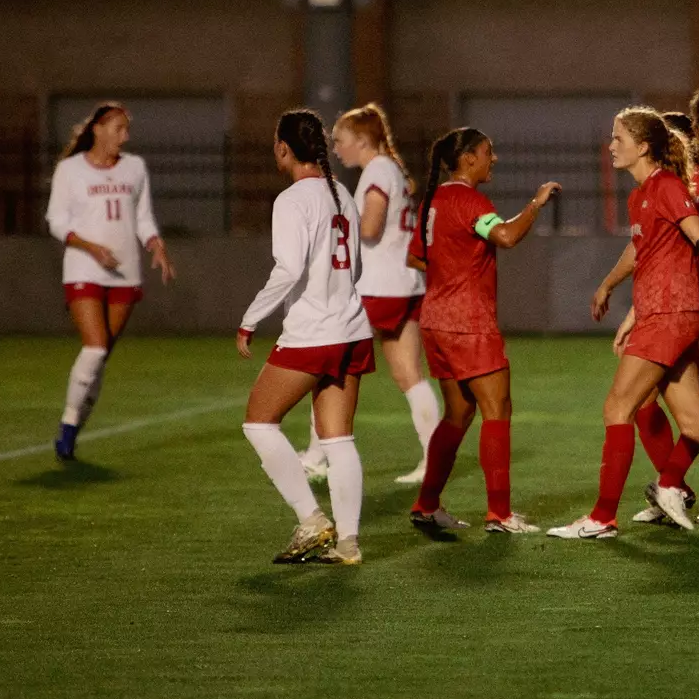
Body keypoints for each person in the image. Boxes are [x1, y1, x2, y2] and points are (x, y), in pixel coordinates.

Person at [548, 107, 699, 539]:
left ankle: (602, 518)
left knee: (617, 408)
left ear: (643, 146)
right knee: (698, 424)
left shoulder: (665, 186)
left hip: (668, 315)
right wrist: (610, 286)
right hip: (663, 314)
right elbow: (644, 251)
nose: (611, 146)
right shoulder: (640, 195)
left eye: (618, 138)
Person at [236, 109, 373, 565]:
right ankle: (348, 544)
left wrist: (251, 318)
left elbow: (289, 268)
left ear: (283, 149)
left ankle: (311, 519)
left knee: (259, 423)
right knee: (338, 439)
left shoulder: (292, 199)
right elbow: (356, 266)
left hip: (313, 333)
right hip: (352, 328)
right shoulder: (342, 193)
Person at [406, 127, 558, 534]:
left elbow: (417, 257)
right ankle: (500, 514)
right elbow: (505, 236)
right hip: (467, 322)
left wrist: (452, 267)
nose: (494, 159)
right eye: (488, 152)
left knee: (458, 413)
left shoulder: (433, 201)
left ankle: (426, 504)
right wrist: (535, 204)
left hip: (435, 319)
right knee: (497, 410)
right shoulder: (470, 200)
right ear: (469, 158)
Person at [310, 102, 440, 486]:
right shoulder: (392, 170)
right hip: (406, 284)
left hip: (377, 287)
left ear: (363, 141)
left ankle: (317, 456)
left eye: (341, 140)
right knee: (409, 375)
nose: (336, 149)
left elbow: (368, 228)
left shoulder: (378, 171)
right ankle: (435, 459)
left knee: (329, 367)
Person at [44, 101, 175, 462]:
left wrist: (155, 244)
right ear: (98, 129)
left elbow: (143, 218)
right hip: (83, 269)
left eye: (126, 129)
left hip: (125, 272)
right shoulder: (70, 170)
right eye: (118, 128)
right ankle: (68, 425)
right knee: (96, 347)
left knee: (99, 359)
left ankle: (73, 430)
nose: (125, 136)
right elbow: (56, 220)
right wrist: (91, 248)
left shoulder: (134, 168)